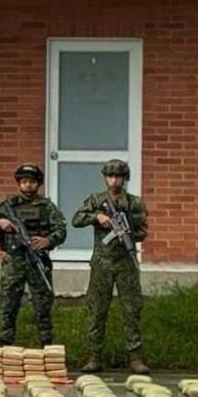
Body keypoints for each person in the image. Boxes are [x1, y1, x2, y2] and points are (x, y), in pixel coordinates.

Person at [72, 159, 149, 374]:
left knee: (131, 309)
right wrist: (97, 217)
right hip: (102, 262)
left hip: (125, 262)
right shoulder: (97, 200)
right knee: (97, 309)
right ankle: (94, 356)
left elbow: (143, 231)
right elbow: (76, 219)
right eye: (110, 176)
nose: (114, 180)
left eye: (118, 176)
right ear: (105, 178)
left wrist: (127, 230)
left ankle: (135, 357)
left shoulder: (134, 203)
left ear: (125, 179)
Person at [0, 163, 67, 347]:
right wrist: (0, 224)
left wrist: (48, 241)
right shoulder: (7, 207)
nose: (28, 185)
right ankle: (5, 344)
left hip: (38, 261)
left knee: (43, 305)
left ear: (38, 184)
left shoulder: (47, 207)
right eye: (24, 182)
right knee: (8, 304)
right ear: (19, 184)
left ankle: (46, 345)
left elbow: (61, 230)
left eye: (32, 182)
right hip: (14, 262)